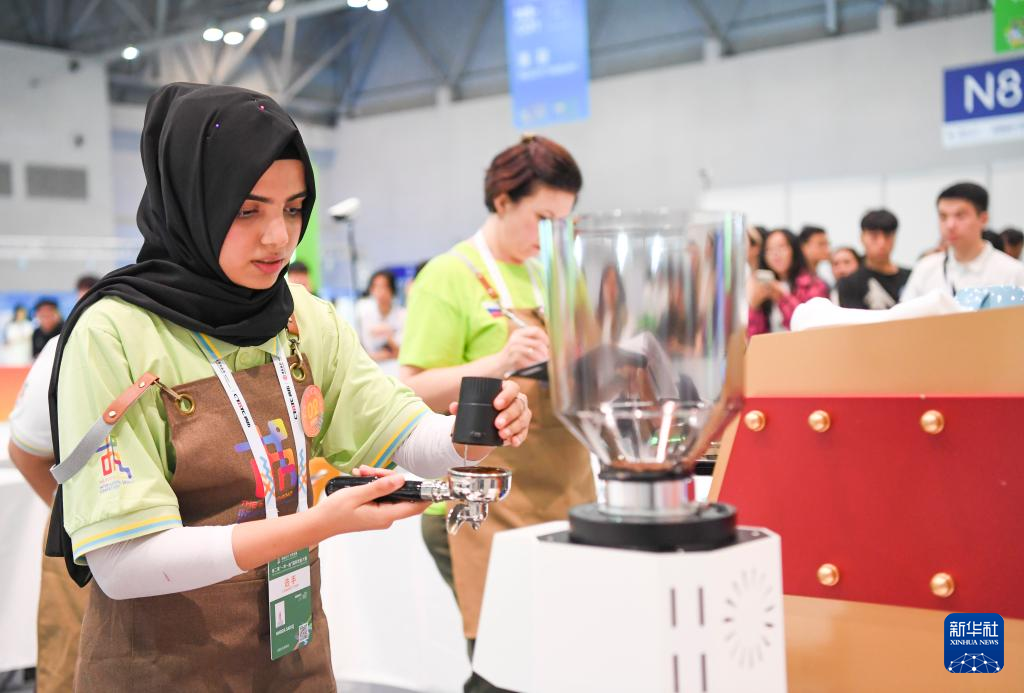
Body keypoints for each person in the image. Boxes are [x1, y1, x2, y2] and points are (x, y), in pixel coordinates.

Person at [46, 83, 532, 691]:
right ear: (193, 202)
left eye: (295, 208)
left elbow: (403, 434)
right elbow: (122, 564)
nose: (279, 236)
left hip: (293, 658)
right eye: (247, 211)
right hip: (163, 670)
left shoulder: (302, 318)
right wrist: (315, 526)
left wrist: (473, 433)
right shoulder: (115, 332)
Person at [399, 134, 595, 693]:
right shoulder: (449, 276)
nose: (550, 235)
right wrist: (499, 361)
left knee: (565, 661)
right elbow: (410, 390)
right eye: (542, 219)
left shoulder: (553, 274)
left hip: (563, 490)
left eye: (562, 223)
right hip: (481, 507)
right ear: (503, 201)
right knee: (506, 669)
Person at [901, 183, 1024, 301]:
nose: (950, 225)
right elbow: (903, 313)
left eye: (960, 216)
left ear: (983, 219)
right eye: (943, 217)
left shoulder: (1013, 272)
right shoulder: (925, 268)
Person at [748, 228, 829, 336]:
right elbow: (753, 337)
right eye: (769, 249)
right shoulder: (764, 286)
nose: (775, 253)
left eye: (781, 247)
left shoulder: (813, 284)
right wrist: (755, 307)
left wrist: (782, 297)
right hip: (771, 346)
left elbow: (808, 327)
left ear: (794, 249)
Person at [836, 210, 910, 310]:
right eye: (874, 236)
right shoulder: (849, 284)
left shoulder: (911, 277)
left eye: (887, 236)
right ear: (862, 237)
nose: (882, 243)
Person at [356, 269, 405, 363]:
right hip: (373, 364)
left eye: (384, 287)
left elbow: (400, 351)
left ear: (392, 290)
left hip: (396, 364)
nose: (380, 292)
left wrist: (386, 334)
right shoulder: (366, 316)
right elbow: (365, 349)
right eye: (376, 287)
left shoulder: (402, 315)